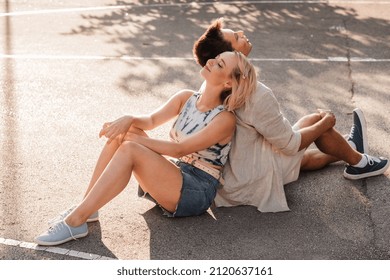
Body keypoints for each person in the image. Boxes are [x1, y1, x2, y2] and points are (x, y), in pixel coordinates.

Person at [34, 51, 258, 246]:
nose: (210, 61)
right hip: (177, 174)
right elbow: (150, 121)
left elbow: (179, 150)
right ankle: (87, 208)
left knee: (131, 147)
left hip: (197, 189)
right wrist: (127, 120)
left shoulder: (224, 119)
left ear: (229, 83)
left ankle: (75, 221)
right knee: (123, 134)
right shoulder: (186, 97)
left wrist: (135, 141)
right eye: (216, 59)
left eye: (219, 64)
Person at [192, 18, 389, 212]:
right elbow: (290, 144)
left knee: (306, 136)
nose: (242, 33)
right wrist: (326, 122)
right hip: (250, 177)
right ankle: (360, 163)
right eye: (237, 36)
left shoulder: (212, 83)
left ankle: (350, 147)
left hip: (233, 171)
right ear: (231, 55)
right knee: (319, 125)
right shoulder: (255, 94)